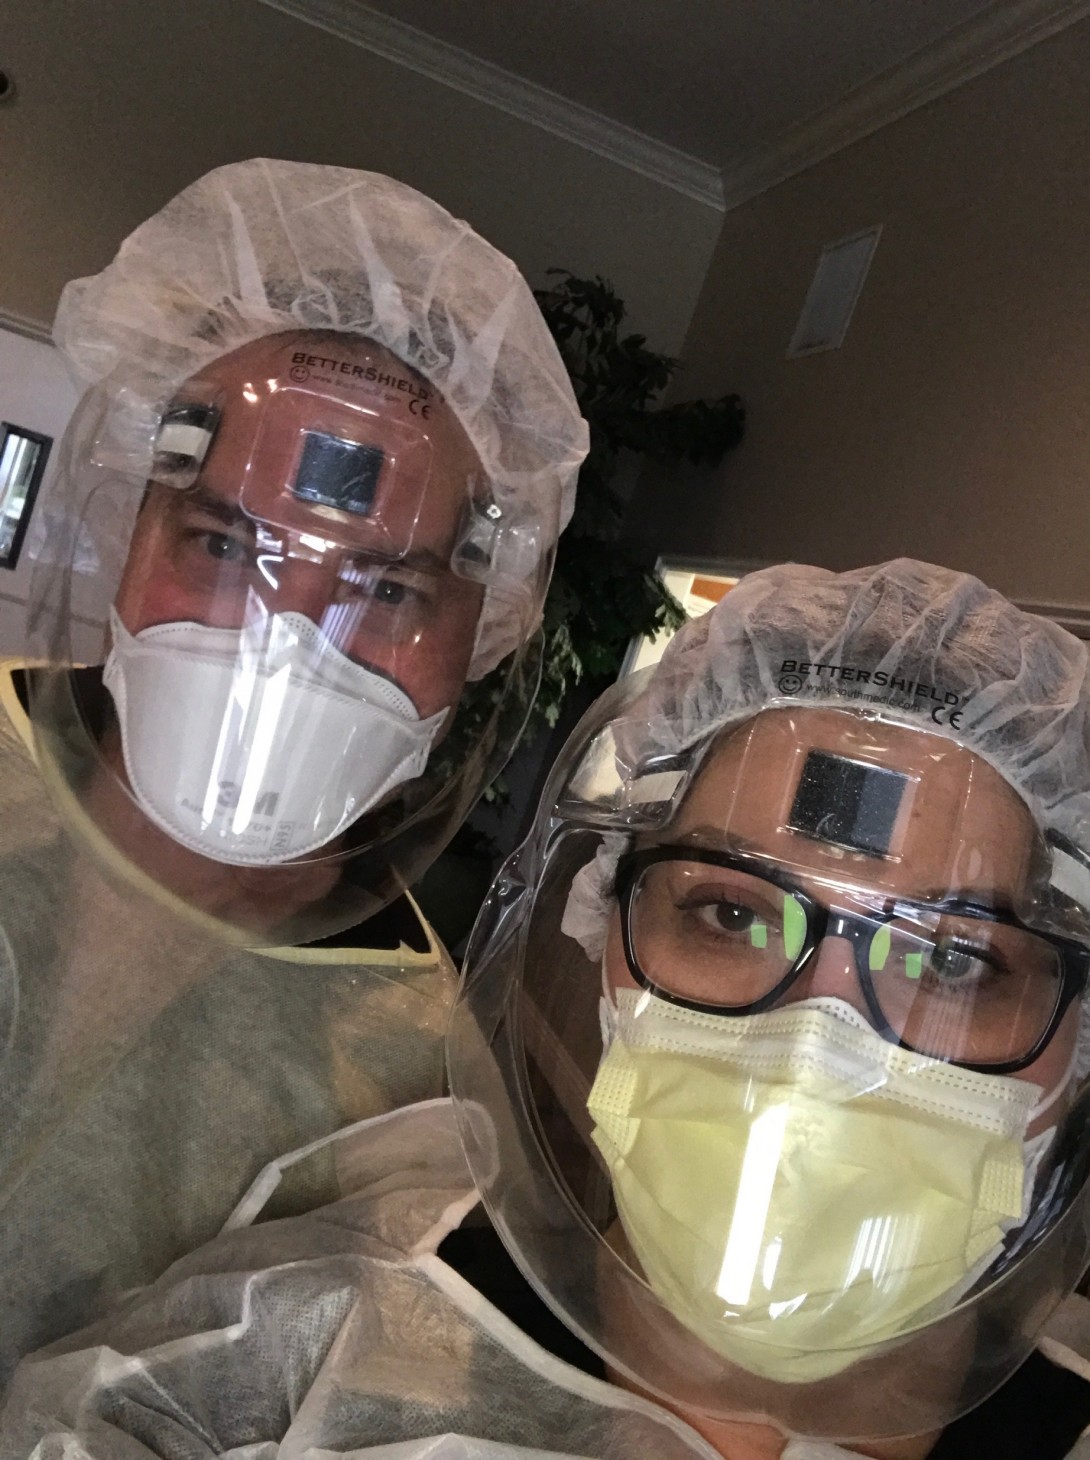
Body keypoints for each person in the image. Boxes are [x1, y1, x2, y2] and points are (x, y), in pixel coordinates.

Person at [6, 560, 1090, 1460]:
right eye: (731, 912)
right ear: (599, 931)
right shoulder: (275, 1362)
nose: (818, 1039)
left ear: (1073, 1050)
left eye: (949, 960)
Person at [0, 158, 586, 1389]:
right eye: (223, 543)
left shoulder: (419, 1077)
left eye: (383, 587)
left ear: (477, 639)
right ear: (125, 537)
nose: (283, 638)